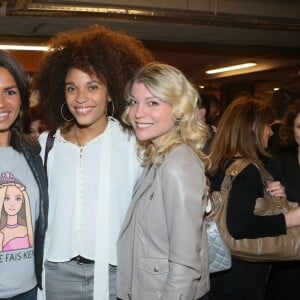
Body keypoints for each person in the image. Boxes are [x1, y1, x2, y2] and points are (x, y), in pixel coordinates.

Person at [33, 25, 154, 300]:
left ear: (111, 93)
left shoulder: (132, 143)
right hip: (56, 273)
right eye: (72, 88)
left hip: (115, 273)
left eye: (93, 87)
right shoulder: (46, 145)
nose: (81, 98)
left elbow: (163, 193)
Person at [117, 62, 210, 300]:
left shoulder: (177, 166)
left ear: (178, 108)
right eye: (134, 102)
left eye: (152, 103)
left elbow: (185, 265)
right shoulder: (159, 156)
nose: (138, 113)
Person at [208, 96, 300, 300]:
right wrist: (291, 219)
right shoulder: (247, 170)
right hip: (242, 280)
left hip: (223, 273)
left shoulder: (223, 164)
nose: (270, 130)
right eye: (266, 125)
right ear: (253, 129)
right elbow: (240, 225)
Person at [0, 50, 48, 299]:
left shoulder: (33, 151)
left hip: (27, 290)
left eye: (9, 92)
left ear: (21, 98)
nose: (2, 103)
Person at [266, 99, 300, 300]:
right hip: (290, 254)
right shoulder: (278, 163)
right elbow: (271, 208)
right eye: (299, 126)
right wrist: (281, 199)